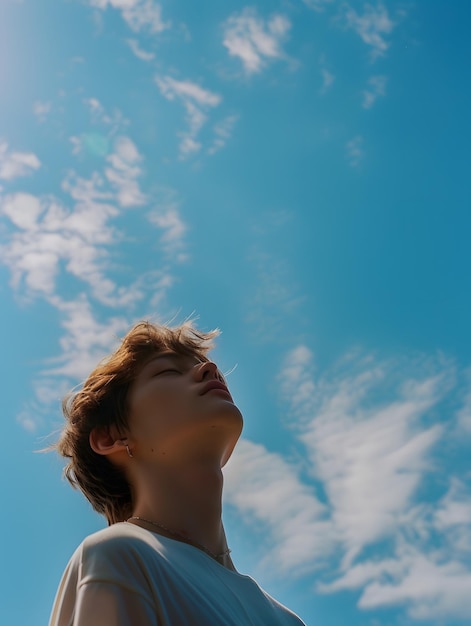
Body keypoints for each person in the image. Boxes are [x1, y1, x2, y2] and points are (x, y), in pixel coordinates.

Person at [49, 320, 306, 625]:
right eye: (168, 370)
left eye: (210, 367)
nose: (210, 369)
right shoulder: (120, 556)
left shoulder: (288, 620)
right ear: (112, 437)